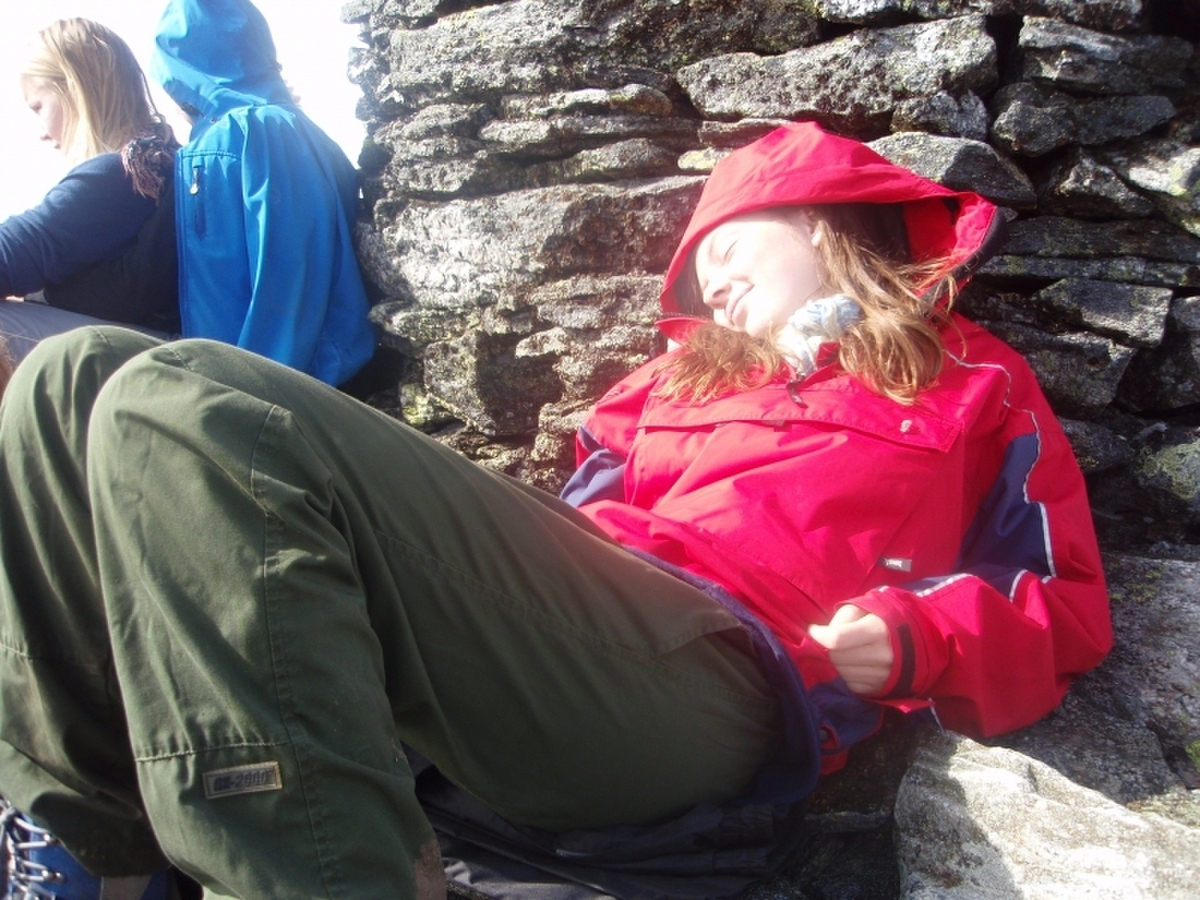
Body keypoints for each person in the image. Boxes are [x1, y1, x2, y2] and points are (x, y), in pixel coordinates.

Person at [0, 122, 1112, 900]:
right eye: (699, 278)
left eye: (727, 250)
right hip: (590, 630)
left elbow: (1063, 605)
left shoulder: (971, 379)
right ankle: (95, 852)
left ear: (819, 223)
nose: (713, 288)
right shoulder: (666, 387)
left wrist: (921, 634)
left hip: (729, 678)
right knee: (69, 377)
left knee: (181, 395)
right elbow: (561, 538)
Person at [148, 0, 376, 387]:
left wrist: (246, 395)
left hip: (277, 388)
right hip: (254, 380)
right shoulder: (267, 130)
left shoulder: (256, 133)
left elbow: (286, 282)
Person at [0, 18, 180, 364]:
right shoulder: (155, 159)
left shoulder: (121, 175)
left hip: (157, 359)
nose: (41, 132)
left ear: (75, 90)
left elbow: (14, 253)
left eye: (38, 107)